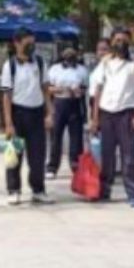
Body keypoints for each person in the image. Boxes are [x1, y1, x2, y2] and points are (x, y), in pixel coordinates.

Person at [89, 30, 134, 207]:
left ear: (129, 42)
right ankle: (104, 190)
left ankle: (133, 193)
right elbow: (98, 90)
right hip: (106, 114)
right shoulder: (105, 63)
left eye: (123, 40)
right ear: (112, 42)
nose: (120, 43)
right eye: (117, 40)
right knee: (107, 157)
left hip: (127, 114)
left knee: (129, 157)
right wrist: (94, 118)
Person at [0, 28, 51, 205]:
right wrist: (8, 123)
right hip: (17, 113)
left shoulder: (41, 63)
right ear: (17, 43)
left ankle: (38, 189)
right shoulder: (10, 66)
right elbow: (6, 95)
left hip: (36, 113)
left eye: (33, 43)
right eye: (27, 43)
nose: (31, 46)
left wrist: (49, 113)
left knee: (38, 156)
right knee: (13, 155)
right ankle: (13, 190)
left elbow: (45, 89)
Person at [45, 43, 88, 178]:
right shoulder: (54, 69)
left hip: (74, 103)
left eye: (72, 53)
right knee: (55, 137)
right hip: (59, 103)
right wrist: (59, 89)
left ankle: (76, 166)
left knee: (76, 138)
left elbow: (85, 89)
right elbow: (47, 88)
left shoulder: (82, 70)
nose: (69, 55)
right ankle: (52, 166)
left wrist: (78, 91)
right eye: (67, 53)